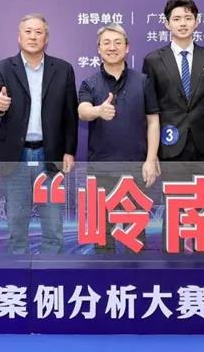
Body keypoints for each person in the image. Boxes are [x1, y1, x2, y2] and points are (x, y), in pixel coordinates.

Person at [142, 0, 204, 251]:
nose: (182, 23)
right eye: (177, 19)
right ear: (167, 23)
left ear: (197, 22)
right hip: (171, 145)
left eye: (188, 18)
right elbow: (150, 107)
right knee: (174, 207)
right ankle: (173, 258)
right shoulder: (153, 60)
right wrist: (152, 153)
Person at [0, 13, 78, 255]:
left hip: (50, 155)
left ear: (46, 38)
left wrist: (69, 151)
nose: (33, 36)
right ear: (19, 37)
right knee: (16, 224)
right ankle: (17, 273)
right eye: (28, 31)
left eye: (39, 32)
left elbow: (70, 114)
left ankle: (50, 272)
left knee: (53, 225)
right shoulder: (3, 67)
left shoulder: (63, 69)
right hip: (16, 157)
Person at [78, 24, 160, 254]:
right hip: (101, 170)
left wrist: (151, 159)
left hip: (136, 169)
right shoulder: (90, 83)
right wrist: (98, 111)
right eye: (106, 43)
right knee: (102, 239)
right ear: (98, 48)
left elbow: (153, 121)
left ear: (127, 47)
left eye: (117, 43)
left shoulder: (143, 81)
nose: (112, 47)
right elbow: (82, 111)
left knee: (136, 238)